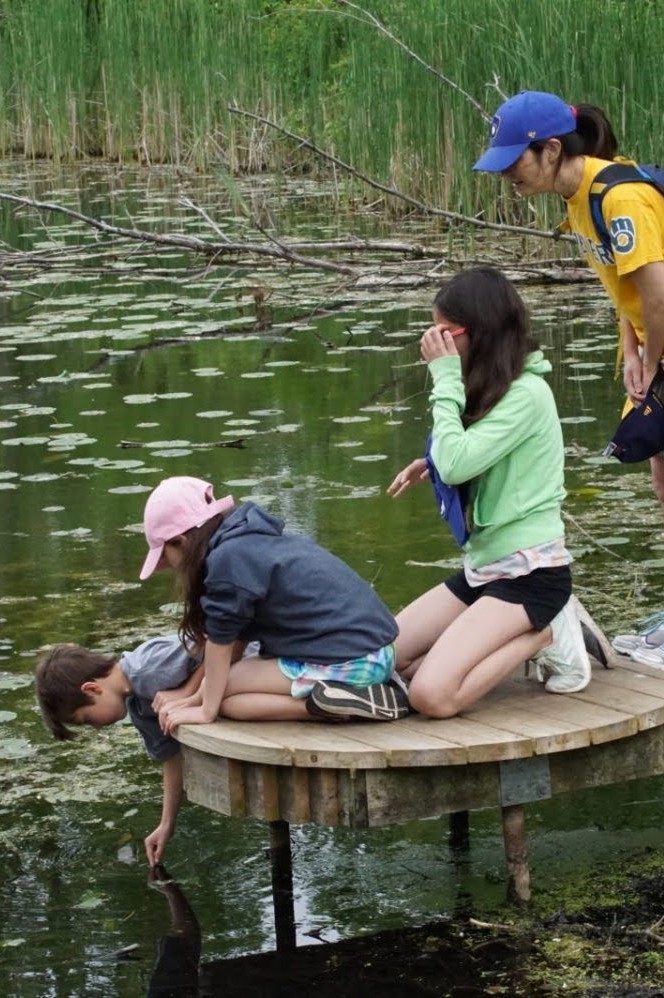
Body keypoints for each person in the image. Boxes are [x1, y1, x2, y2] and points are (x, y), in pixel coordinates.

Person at [354, 267, 590, 720]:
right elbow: (469, 455)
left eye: (444, 333)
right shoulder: (491, 388)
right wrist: (431, 462)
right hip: (484, 568)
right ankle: (485, 640)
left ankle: (549, 633)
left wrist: (443, 379)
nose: (436, 345)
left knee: (431, 697)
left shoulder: (528, 393)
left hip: (530, 575)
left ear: (477, 331)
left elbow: (459, 459)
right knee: (382, 660)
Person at [473, 89, 664, 514]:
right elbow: (624, 286)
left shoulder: (620, 199)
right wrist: (631, 353)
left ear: (552, 149)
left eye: (513, 159)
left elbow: (659, 299)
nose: (505, 173)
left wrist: (650, 367)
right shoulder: (579, 197)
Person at [138, 476, 408, 732]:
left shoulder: (228, 558)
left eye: (167, 556)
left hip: (353, 661)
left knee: (223, 693)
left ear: (179, 541)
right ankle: (341, 701)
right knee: (230, 703)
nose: (172, 568)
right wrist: (196, 698)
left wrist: (205, 711)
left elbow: (220, 643)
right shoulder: (247, 538)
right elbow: (234, 640)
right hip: (377, 654)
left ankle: (344, 703)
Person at [35, 634, 206, 865]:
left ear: (92, 689)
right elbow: (171, 757)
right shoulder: (141, 709)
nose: (95, 728)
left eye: (88, 720)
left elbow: (219, 640)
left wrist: (190, 691)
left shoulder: (148, 668)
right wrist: (166, 824)